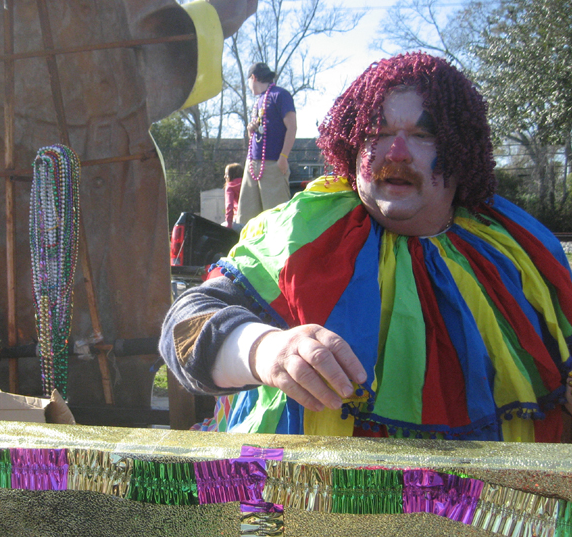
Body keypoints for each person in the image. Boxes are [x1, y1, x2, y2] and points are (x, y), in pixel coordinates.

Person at [160, 52, 572, 443]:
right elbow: (184, 329)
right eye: (378, 133)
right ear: (352, 145)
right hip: (316, 503)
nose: (396, 153)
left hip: (491, 510)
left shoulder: (514, 244)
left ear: (460, 150)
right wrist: (264, 349)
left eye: (422, 135)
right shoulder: (305, 226)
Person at [236, 62, 297, 225]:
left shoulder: (280, 95)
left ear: (253, 78)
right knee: (247, 220)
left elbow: (292, 127)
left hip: (273, 165)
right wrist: (251, 129)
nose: (248, 86)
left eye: (248, 81)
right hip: (252, 165)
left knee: (277, 219)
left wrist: (283, 157)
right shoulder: (258, 101)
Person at [223, 162, 244, 229]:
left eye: (226, 174)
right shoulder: (247, 184)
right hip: (254, 220)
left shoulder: (230, 186)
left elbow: (229, 206)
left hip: (238, 220)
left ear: (231, 175)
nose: (225, 176)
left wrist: (229, 224)